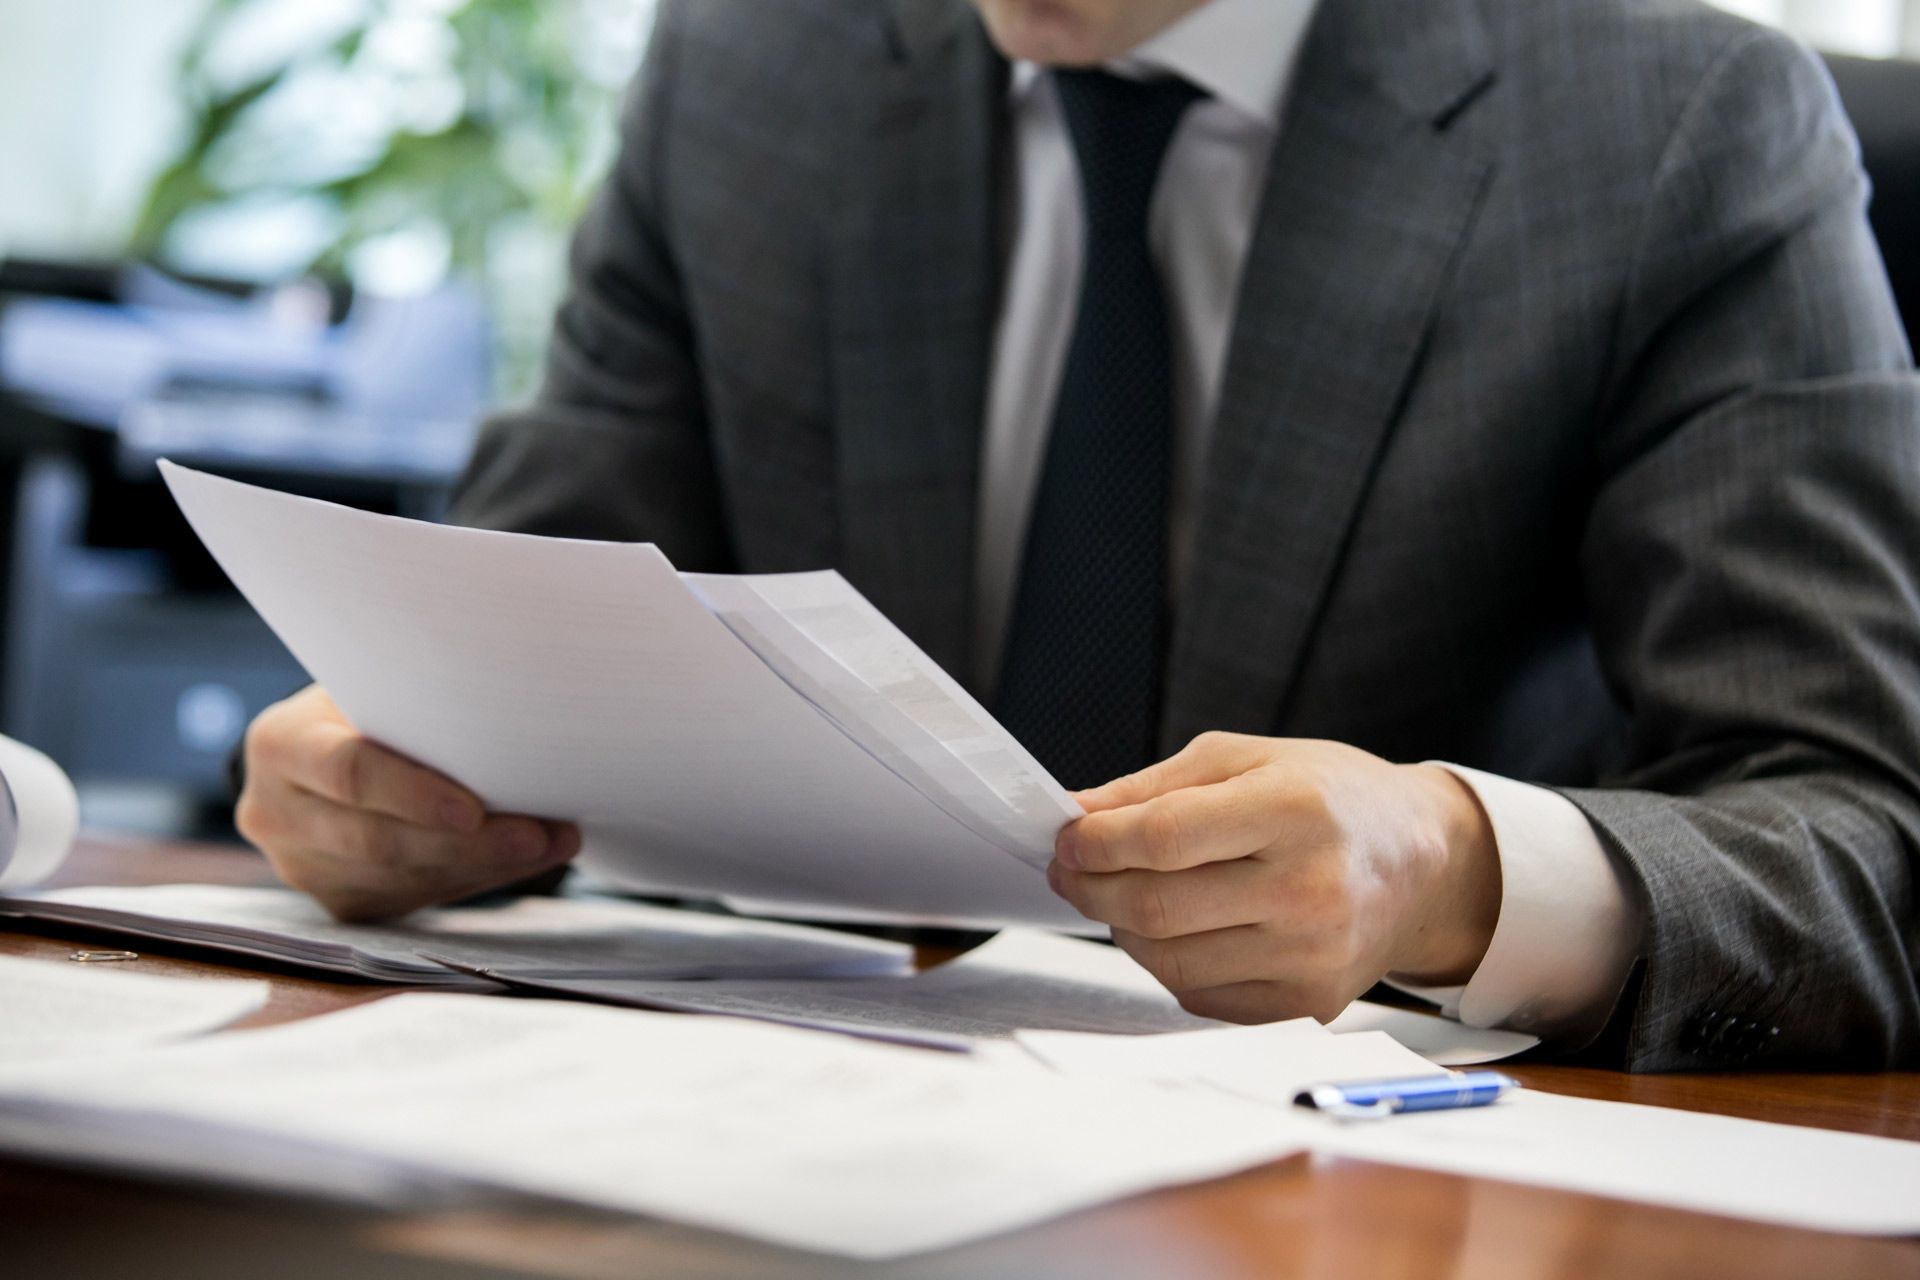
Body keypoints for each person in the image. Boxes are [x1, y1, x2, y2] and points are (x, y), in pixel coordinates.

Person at [235, 0, 1920, 1070]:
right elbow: (520, 626)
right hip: (791, 1118)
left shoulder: (1681, 131)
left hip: (1372, 1194)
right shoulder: (750, 73)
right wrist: (392, 776)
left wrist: (1452, 869)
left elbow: (1867, 837)